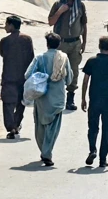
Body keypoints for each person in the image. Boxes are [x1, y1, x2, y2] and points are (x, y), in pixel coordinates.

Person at [26, 32, 77, 167]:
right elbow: (69, 79)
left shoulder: (40, 58)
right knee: (53, 128)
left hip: (42, 97)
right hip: (58, 98)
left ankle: (44, 150)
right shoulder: (63, 58)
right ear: (59, 44)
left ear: (47, 44)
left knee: (40, 125)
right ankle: (47, 152)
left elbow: (27, 75)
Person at [81, 35, 108, 168]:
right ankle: (103, 159)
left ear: (99, 46)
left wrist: (83, 98)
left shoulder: (91, 61)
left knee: (92, 127)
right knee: (106, 130)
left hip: (94, 100)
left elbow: (86, 80)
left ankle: (92, 149)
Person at [48, 0, 89, 110]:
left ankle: (70, 98)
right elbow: (50, 22)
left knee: (74, 71)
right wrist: (60, 11)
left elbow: (84, 25)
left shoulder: (80, 6)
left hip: (75, 43)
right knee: (58, 70)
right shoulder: (58, 4)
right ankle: (57, 98)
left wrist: (84, 42)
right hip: (61, 43)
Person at [0, 15, 34, 138]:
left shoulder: (5, 41)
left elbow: (2, 54)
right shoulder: (27, 39)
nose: (5, 27)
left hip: (9, 76)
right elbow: (31, 58)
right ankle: (16, 124)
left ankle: (11, 127)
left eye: (6, 24)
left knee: (8, 103)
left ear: (12, 26)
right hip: (23, 77)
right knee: (20, 103)